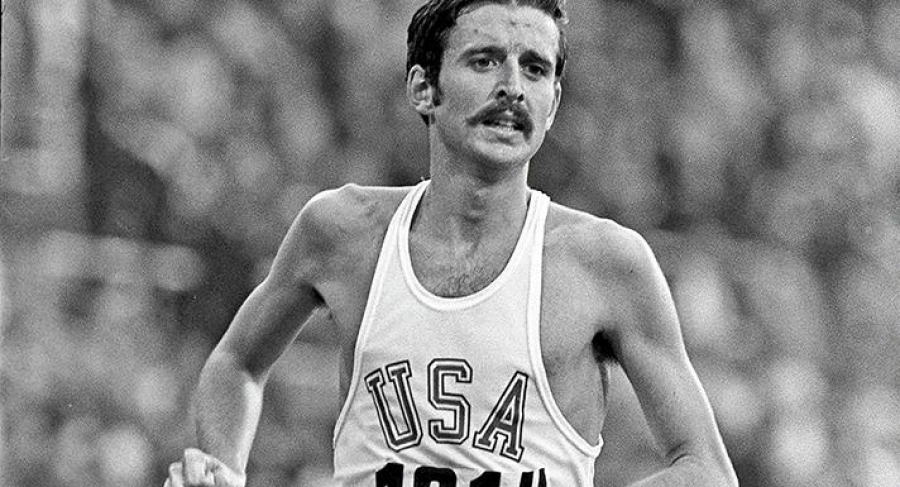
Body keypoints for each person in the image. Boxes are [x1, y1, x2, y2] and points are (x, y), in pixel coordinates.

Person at [164, 1, 739, 486]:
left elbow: (706, 470)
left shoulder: (603, 262)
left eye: (535, 69)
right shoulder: (342, 230)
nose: (512, 88)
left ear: (554, 104)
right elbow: (236, 363)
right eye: (485, 61)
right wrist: (221, 468)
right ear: (424, 88)